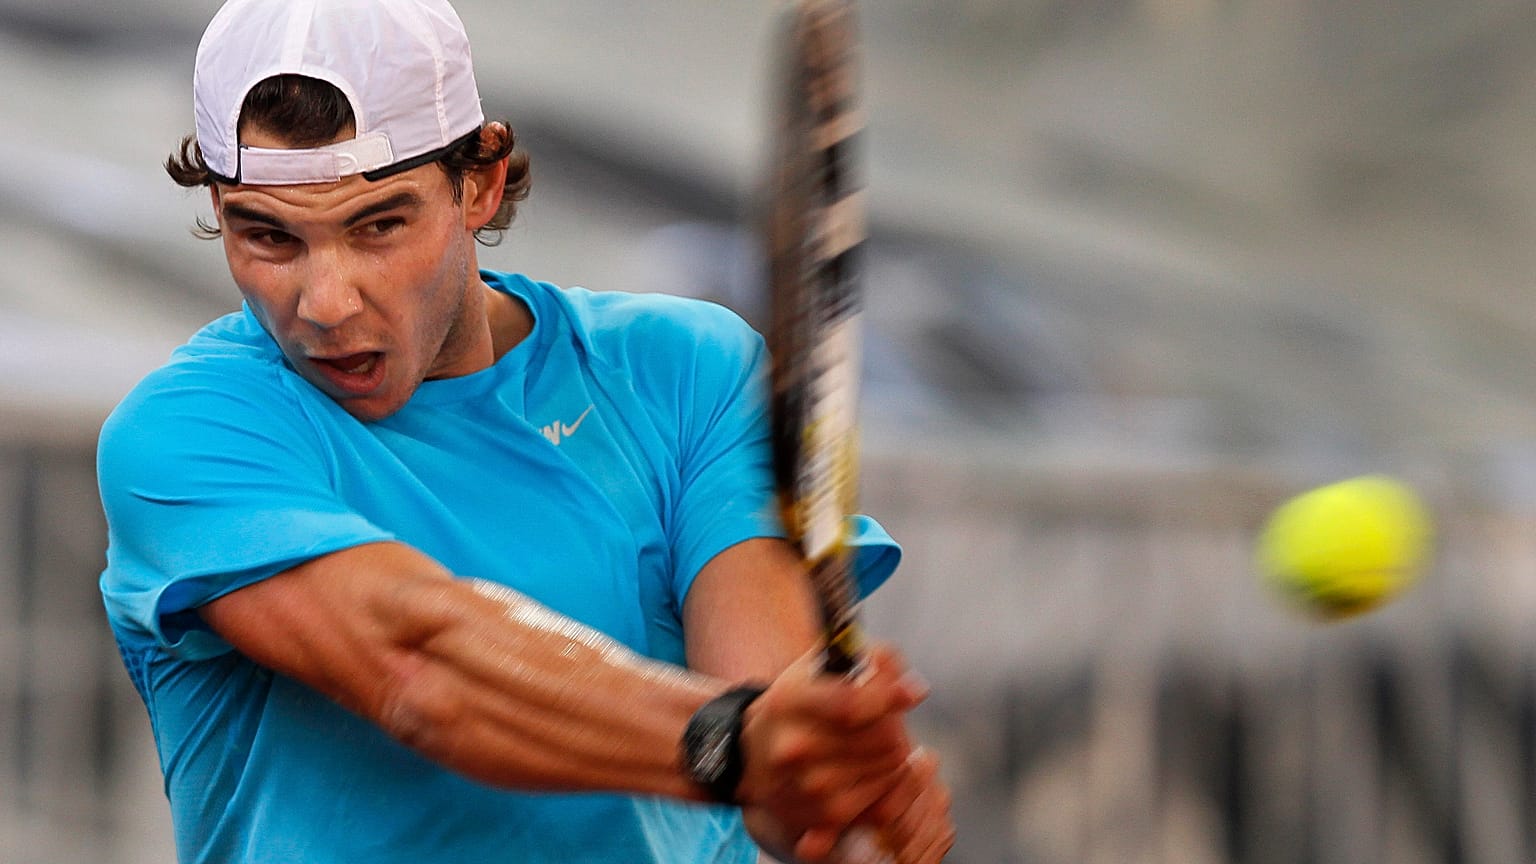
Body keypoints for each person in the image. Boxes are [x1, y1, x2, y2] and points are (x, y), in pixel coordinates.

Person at [95, 1, 954, 862]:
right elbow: (419, 666)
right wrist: (735, 742)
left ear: (481, 182)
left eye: (380, 225)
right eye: (268, 236)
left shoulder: (686, 372)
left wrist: (824, 772)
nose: (326, 303)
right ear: (218, 206)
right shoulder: (184, 433)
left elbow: (773, 755)